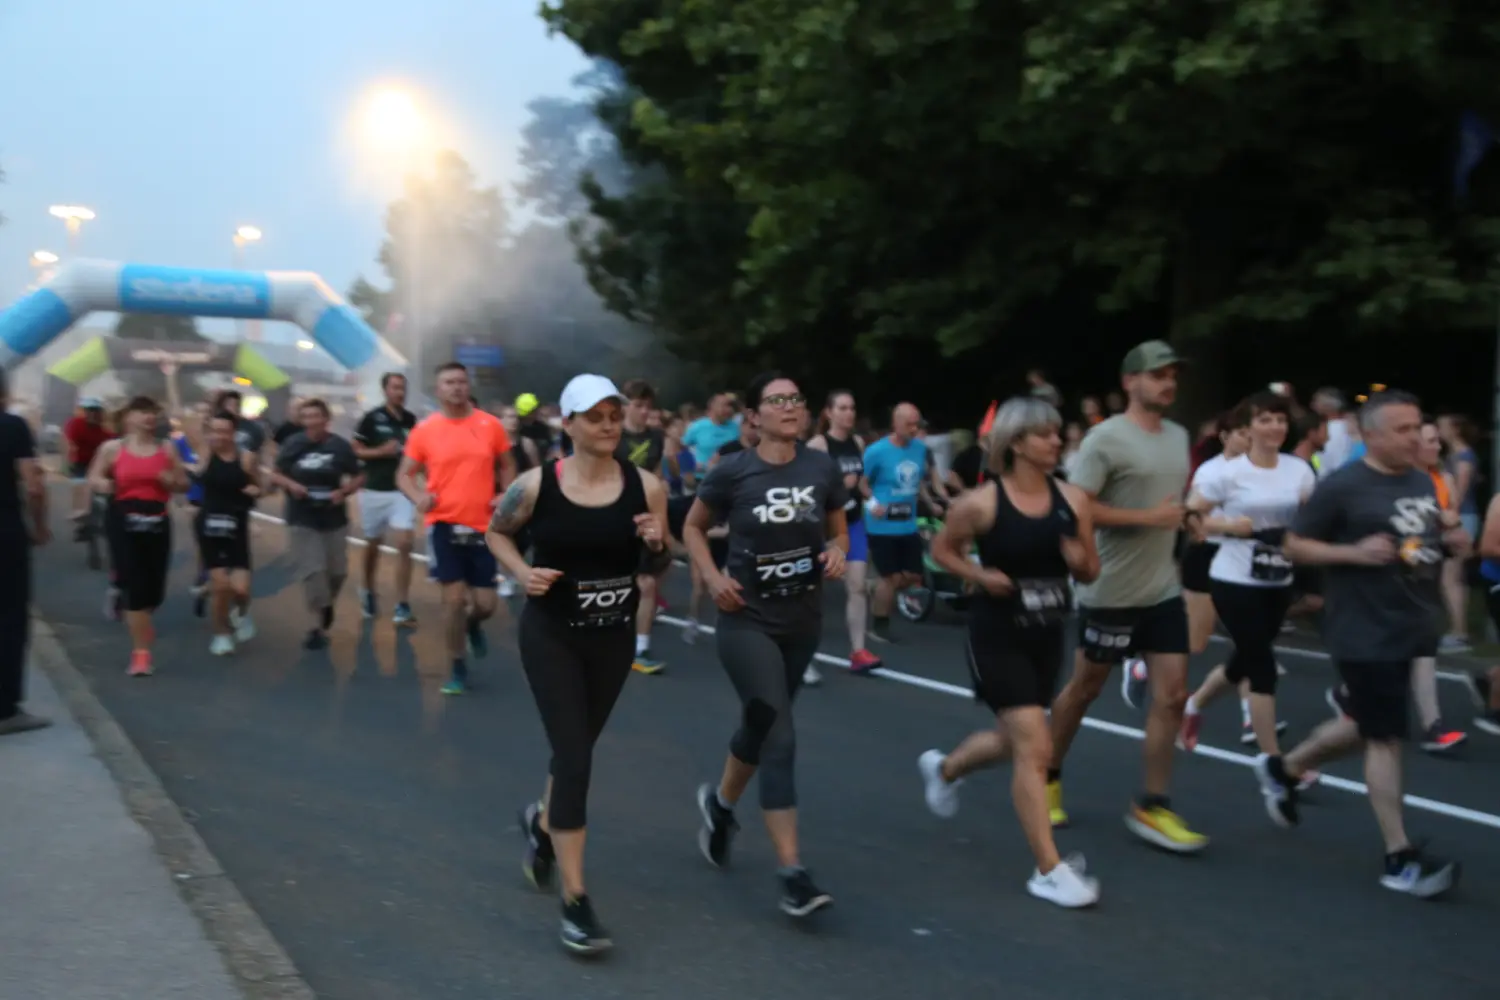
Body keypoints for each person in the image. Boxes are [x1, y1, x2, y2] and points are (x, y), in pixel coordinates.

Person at [486, 374, 671, 955]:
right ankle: (576, 901)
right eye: (595, 416)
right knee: (574, 757)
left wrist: (659, 543)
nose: (610, 424)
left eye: (615, 414)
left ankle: (542, 825)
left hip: (611, 638)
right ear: (568, 424)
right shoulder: (536, 485)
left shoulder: (647, 488)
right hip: (552, 636)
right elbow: (497, 533)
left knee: (576, 754)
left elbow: (654, 566)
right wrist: (522, 573)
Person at [1261, 391, 1462, 897]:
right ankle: (1399, 856)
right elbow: (1294, 544)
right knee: (1385, 737)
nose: (1415, 436)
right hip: (1362, 630)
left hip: (1410, 625)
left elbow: (1419, 542)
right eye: (1402, 429)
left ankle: (1284, 769)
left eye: (1418, 426)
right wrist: (1351, 551)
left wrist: (1450, 540)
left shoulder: (1422, 480)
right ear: (1370, 436)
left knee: (1365, 725)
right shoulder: (1343, 485)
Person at [916, 397, 1101, 907]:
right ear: (1017, 443)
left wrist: (1078, 559)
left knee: (1015, 742)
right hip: (996, 635)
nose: (1057, 441)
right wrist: (979, 575)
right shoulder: (982, 504)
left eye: (1058, 432)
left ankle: (946, 769)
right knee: (1036, 748)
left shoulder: (1074, 501)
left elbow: (1091, 572)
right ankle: (1048, 869)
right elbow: (941, 551)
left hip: (1046, 634)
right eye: (1045, 433)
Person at [685, 372, 849, 919]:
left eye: (796, 398)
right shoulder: (733, 470)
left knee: (759, 728)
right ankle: (793, 873)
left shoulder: (821, 467)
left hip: (801, 622)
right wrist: (711, 578)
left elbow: (838, 529)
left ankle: (721, 806)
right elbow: (691, 528)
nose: (789, 407)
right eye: (776, 400)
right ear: (753, 416)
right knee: (780, 737)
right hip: (745, 620)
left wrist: (836, 551)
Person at [1046, 341, 1205, 851]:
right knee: (1085, 689)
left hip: (1162, 588)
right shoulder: (1104, 440)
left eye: (1173, 375)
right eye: (1158, 375)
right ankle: (1045, 773)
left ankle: (1152, 806)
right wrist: (1147, 519)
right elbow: (1074, 507)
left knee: (1174, 695)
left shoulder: (1179, 436)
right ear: (1130, 381)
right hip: (1109, 589)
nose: (1169, 384)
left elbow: (1168, 504)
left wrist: (1187, 516)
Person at [1179, 392, 1315, 761]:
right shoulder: (1224, 472)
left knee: (1246, 658)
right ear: (1247, 428)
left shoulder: (1298, 469)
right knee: (1261, 667)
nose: (1275, 428)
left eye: (1281, 420)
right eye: (1265, 420)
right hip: (1233, 578)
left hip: (1278, 579)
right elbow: (1190, 518)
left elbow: (1314, 518)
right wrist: (1229, 526)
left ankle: (1194, 703)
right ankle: (1274, 762)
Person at [399, 363, 514, 695]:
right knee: (452, 599)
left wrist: (506, 493)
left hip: (483, 526)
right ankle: (456, 664)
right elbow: (405, 474)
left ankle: (472, 624)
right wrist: (418, 496)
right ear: (439, 390)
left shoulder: (490, 425)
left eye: (461, 381)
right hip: (444, 523)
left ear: (468, 386)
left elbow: (507, 465)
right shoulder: (425, 430)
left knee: (486, 604)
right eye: (449, 382)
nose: (456, 387)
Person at [89, 396, 188, 677]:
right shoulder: (113, 448)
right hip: (123, 517)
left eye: (153, 412)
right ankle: (141, 655)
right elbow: (93, 477)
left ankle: (138, 614)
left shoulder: (167, 448)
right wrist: (105, 484)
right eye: (143, 412)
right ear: (128, 417)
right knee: (135, 584)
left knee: (154, 591)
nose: (149, 417)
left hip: (156, 518)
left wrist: (173, 482)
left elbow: (183, 484)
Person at [270, 399, 363, 650]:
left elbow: (359, 475)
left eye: (316, 416)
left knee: (337, 572)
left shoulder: (339, 446)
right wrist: (292, 486)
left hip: (333, 516)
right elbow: (276, 473)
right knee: (314, 571)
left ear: (326, 419)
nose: (311, 421)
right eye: (307, 416)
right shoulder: (294, 444)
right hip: (302, 516)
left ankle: (326, 606)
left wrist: (343, 492)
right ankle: (316, 627)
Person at [807, 389, 879, 676]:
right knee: (811, 594)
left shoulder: (857, 442)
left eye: (852, 408)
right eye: (842, 408)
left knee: (858, 586)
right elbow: (807, 488)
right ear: (829, 412)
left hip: (852, 523)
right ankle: (802, 657)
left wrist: (872, 499)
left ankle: (858, 651)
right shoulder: (818, 445)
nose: (849, 413)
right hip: (821, 526)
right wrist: (839, 484)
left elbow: (860, 482)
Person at [0, 368, 51, 735]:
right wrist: (40, 526)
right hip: (5, 535)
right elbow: (33, 485)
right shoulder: (13, 426)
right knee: (9, 617)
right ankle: (6, 710)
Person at [353, 373, 418, 626]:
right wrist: (380, 451)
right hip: (374, 490)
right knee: (373, 545)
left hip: (402, 491)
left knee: (405, 543)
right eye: (395, 388)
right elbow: (356, 449)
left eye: (403, 388)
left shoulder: (411, 420)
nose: (399, 392)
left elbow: (419, 453)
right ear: (385, 390)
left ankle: (402, 604)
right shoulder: (371, 418)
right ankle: (367, 588)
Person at [195, 410, 263, 654]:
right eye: (214, 431)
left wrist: (254, 490)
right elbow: (194, 475)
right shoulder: (205, 453)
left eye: (224, 431)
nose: (219, 436)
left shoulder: (245, 458)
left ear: (234, 433)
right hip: (209, 524)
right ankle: (221, 634)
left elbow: (258, 486)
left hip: (237, 525)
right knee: (222, 584)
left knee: (242, 590)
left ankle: (240, 611)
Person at [862, 403, 929, 647]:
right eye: (910, 424)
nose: (914, 428)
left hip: (908, 524)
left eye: (917, 423)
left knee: (913, 575)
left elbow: (919, 481)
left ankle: (876, 588)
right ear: (895, 424)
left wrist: (932, 502)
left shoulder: (920, 449)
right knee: (889, 578)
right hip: (881, 525)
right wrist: (871, 502)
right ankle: (879, 627)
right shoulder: (876, 451)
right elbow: (861, 483)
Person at [615, 379, 669, 674]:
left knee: (647, 584)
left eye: (647, 406)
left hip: (646, 518)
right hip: (613, 518)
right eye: (637, 405)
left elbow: (658, 473)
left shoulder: (657, 437)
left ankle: (641, 650)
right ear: (625, 406)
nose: (643, 411)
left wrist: (660, 492)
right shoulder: (612, 436)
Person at [64, 397, 112, 528]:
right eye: (89, 410)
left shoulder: (106, 431)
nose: (92, 414)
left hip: (100, 464)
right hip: (80, 462)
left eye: (95, 411)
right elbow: (69, 443)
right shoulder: (75, 423)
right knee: (79, 484)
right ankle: (80, 513)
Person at [684, 392, 742, 466]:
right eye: (724, 405)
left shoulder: (736, 427)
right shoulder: (697, 426)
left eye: (730, 406)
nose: (728, 409)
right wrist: (692, 464)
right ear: (712, 407)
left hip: (731, 474)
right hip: (703, 476)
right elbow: (681, 448)